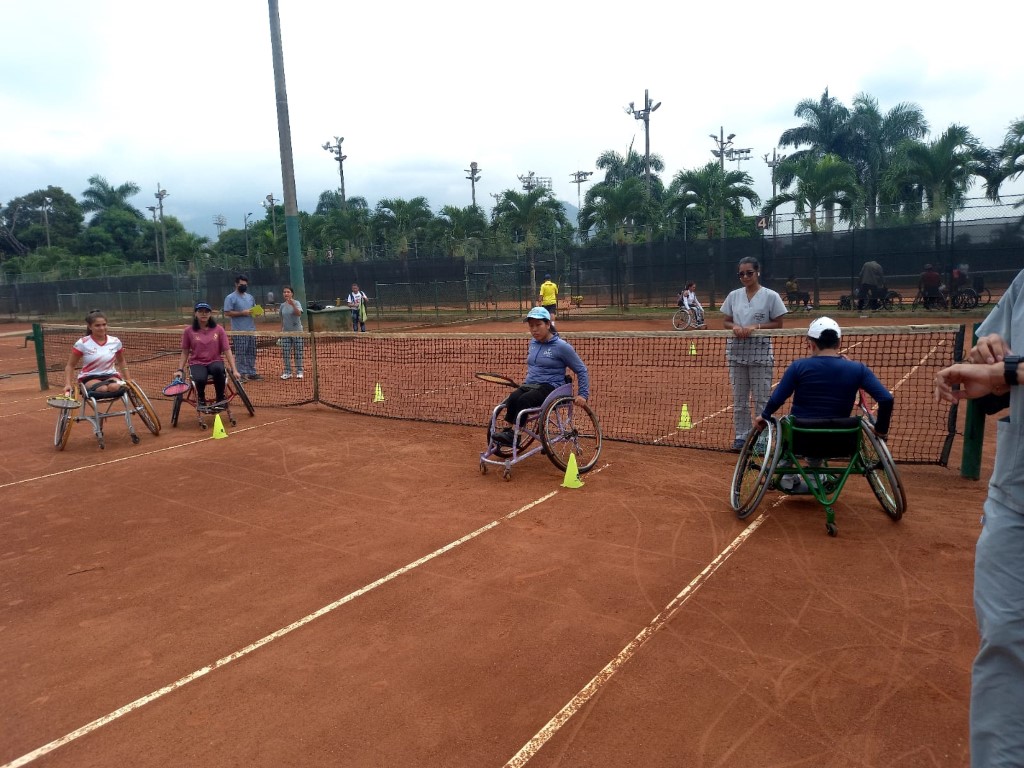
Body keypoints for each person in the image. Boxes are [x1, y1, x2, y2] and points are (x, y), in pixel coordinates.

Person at [934, 267, 1024, 768]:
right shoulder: (1023, 283)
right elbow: (993, 384)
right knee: (1004, 650)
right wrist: (983, 358)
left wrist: (1008, 371)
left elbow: (1008, 374)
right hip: (1014, 499)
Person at [753, 316, 893, 455]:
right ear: (838, 343)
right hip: (842, 440)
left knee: (785, 423)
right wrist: (881, 429)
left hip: (801, 438)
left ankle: (787, 473)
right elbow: (886, 399)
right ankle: (816, 474)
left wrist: (764, 415)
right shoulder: (858, 369)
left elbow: (777, 399)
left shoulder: (798, 367)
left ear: (811, 345)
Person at [493, 306, 589, 445]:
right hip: (531, 384)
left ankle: (516, 434)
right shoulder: (533, 343)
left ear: (548, 324)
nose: (534, 329)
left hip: (550, 387)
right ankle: (507, 431)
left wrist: (583, 394)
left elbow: (581, 370)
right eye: (531, 326)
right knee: (513, 398)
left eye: (538, 325)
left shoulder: (562, 347)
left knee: (524, 400)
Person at [721, 257, 788, 451]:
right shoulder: (734, 295)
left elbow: (778, 323)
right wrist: (734, 326)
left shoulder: (771, 296)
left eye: (749, 273)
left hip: (760, 356)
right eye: (741, 274)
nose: (745, 277)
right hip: (736, 355)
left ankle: (762, 440)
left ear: (757, 272)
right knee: (740, 400)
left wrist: (755, 326)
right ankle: (741, 437)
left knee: (762, 399)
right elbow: (726, 320)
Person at [175, 302, 241, 408]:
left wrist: (235, 370)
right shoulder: (188, 331)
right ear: (195, 314)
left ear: (210, 314)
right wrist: (180, 370)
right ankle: (201, 399)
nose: (203, 314)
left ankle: (221, 398)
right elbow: (185, 351)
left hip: (215, 360)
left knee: (218, 370)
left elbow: (227, 350)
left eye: (206, 312)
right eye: (200, 311)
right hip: (197, 362)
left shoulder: (219, 329)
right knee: (200, 378)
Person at [63, 309, 132, 398]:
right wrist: (67, 384)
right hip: (89, 377)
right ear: (89, 326)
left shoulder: (115, 341)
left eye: (104, 324)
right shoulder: (82, 343)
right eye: (97, 325)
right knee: (102, 389)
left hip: (111, 376)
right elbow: (70, 365)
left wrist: (128, 378)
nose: (102, 328)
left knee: (114, 387)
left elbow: (122, 361)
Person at [224, 274, 260, 380]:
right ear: (236, 284)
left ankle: (251, 372)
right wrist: (242, 313)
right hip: (239, 331)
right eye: (241, 284)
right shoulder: (230, 298)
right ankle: (241, 373)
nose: (243, 286)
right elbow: (227, 312)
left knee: (251, 352)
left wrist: (256, 312)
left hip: (251, 330)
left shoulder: (250, 297)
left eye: (245, 285)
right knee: (241, 353)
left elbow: (253, 310)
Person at [279, 285, 304, 380]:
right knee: (285, 352)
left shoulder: (297, 303)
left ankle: (299, 371)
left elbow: (298, 314)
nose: (286, 293)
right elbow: (282, 319)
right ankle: (287, 372)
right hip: (285, 333)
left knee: (298, 352)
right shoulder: (282, 306)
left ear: (292, 293)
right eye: (284, 292)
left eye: (288, 292)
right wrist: (280, 333)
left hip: (297, 332)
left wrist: (293, 304)